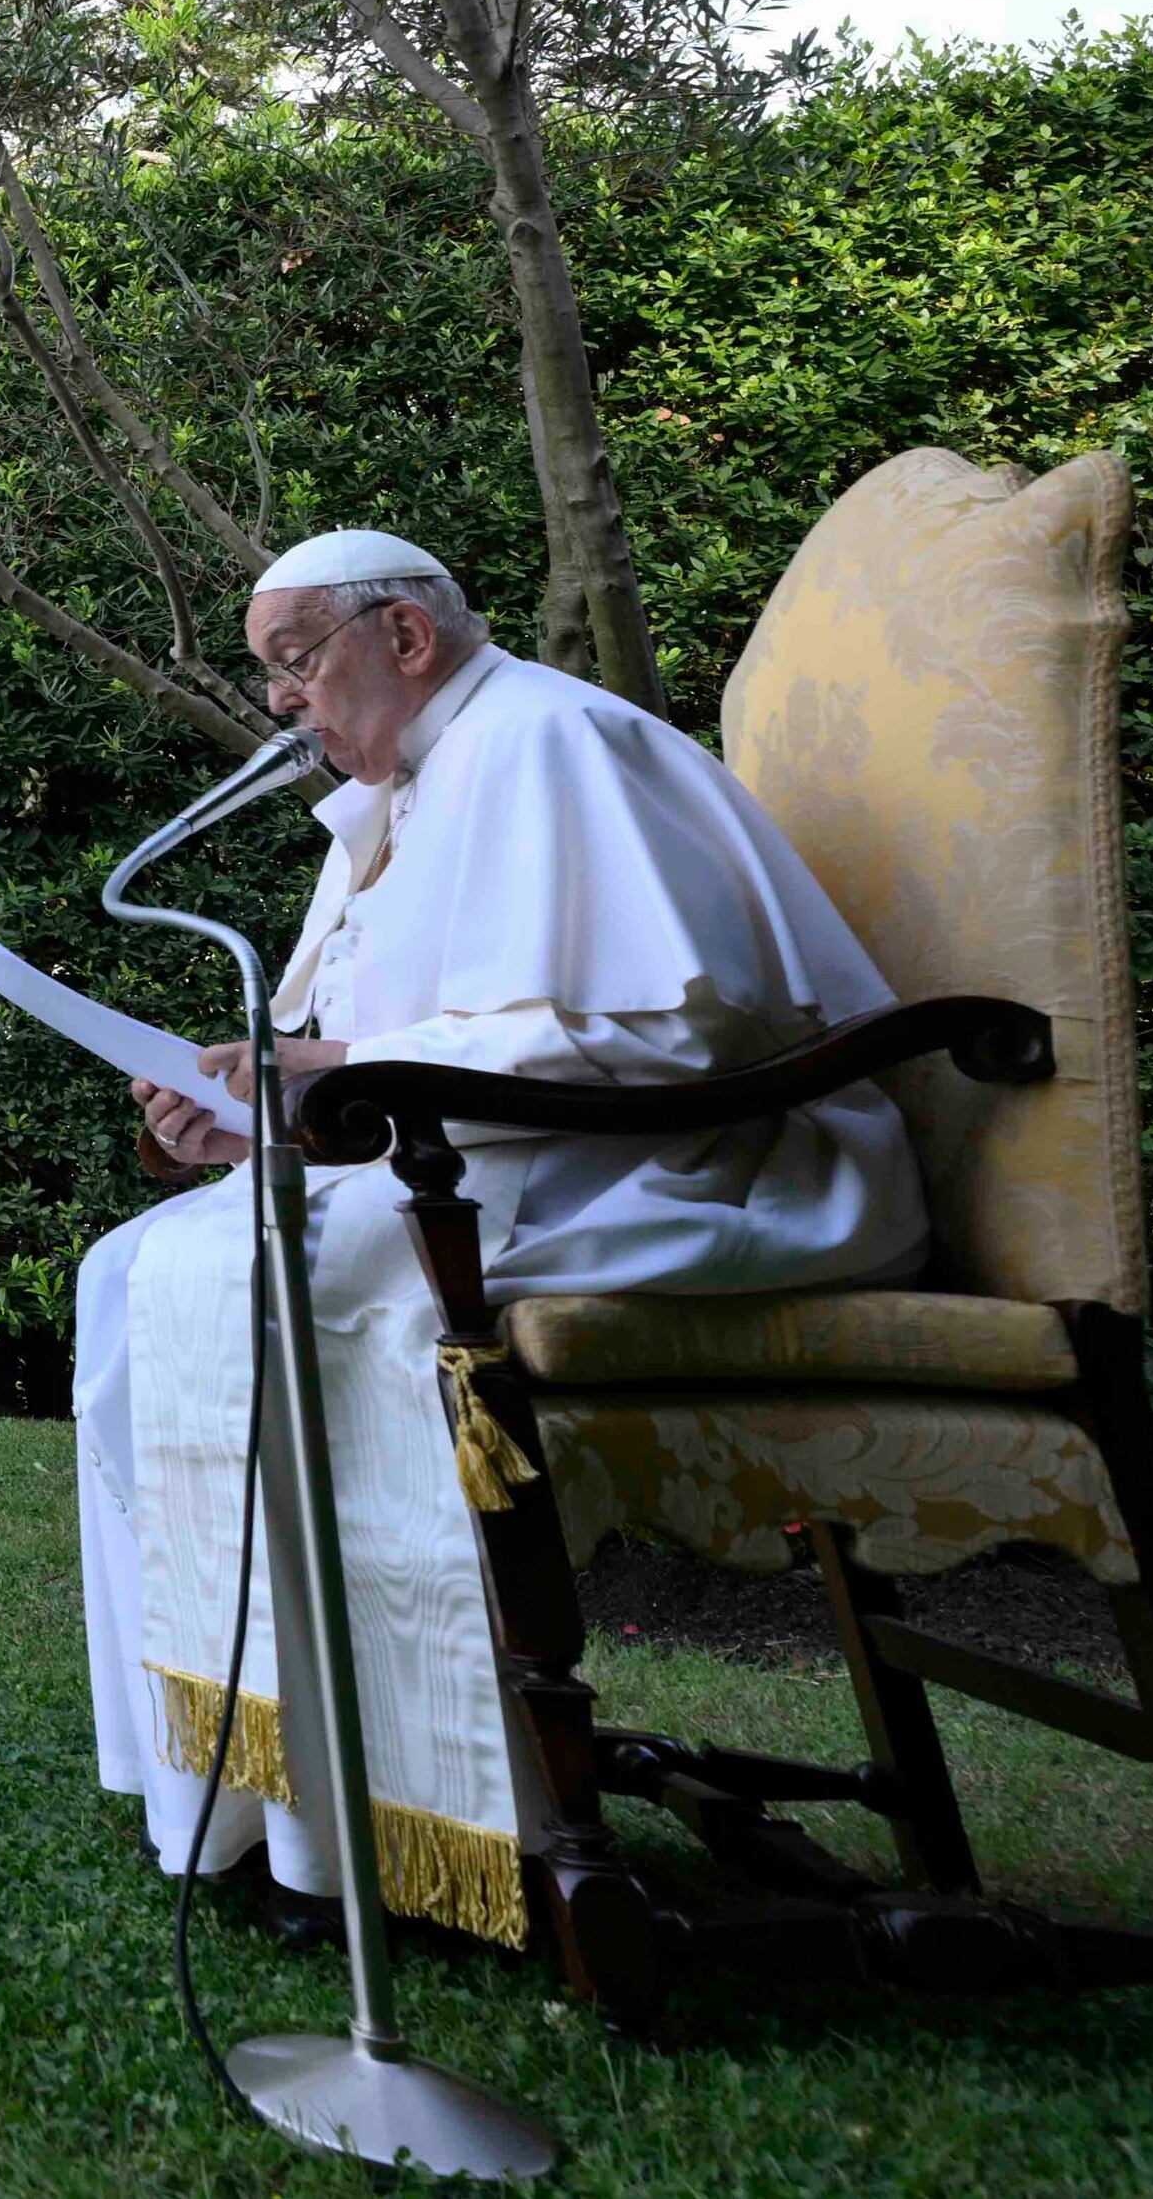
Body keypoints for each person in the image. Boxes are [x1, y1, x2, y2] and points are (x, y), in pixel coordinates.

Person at [75, 529, 919, 1954]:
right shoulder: (404, 797)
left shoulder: (550, 743)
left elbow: (668, 1031)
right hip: (510, 1169)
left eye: (293, 663)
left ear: (403, 637)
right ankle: (246, 1794)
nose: (280, 702)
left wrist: (329, 1064)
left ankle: (424, 1835)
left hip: (698, 1169)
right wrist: (252, 1117)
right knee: (137, 1269)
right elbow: (376, 1065)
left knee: (315, 1289)